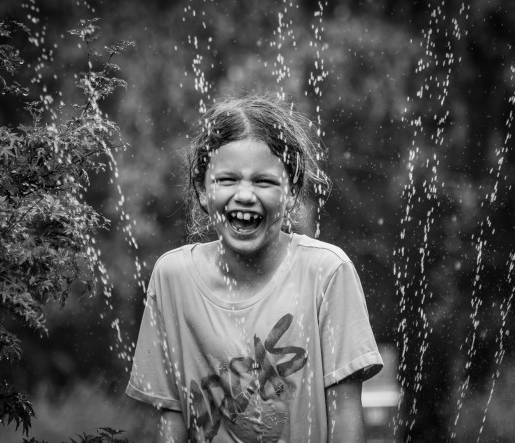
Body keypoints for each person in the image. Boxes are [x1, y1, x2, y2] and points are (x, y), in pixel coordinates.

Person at [126, 93, 383, 442]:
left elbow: (345, 420)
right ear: (202, 190)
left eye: (264, 181)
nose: (245, 195)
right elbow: (171, 420)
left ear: (291, 194)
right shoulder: (173, 278)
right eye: (227, 179)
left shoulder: (327, 273)